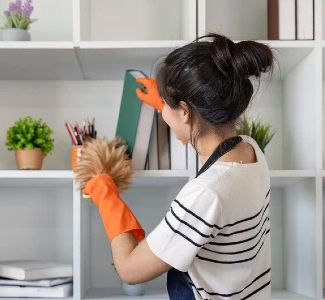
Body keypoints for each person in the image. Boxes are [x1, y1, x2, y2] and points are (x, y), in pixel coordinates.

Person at [83, 33, 275, 300]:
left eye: (166, 105)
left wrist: (107, 198)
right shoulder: (251, 150)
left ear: (185, 111)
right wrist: (173, 105)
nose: (162, 112)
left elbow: (129, 268)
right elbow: (211, 152)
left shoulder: (205, 195)